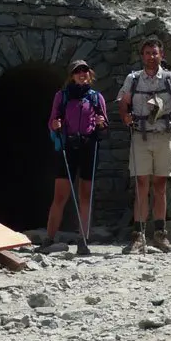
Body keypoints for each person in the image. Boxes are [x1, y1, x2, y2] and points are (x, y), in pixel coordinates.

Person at [117, 37, 171, 254]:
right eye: (148, 53)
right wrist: (125, 117)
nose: (151, 56)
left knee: (160, 185)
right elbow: (123, 103)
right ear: (142, 56)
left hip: (164, 135)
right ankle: (138, 236)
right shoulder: (133, 79)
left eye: (155, 53)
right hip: (140, 136)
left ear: (162, 55)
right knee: (141, 185)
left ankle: (160, 235)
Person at [39, 60, 107, 255]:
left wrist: (102, 123)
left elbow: (104, 127)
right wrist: (56, 125)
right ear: (71, 75)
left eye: (85, 70)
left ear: (89, 74)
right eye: (78, 71)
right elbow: (52, 121)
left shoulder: (96, 98)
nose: (82, 74)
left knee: (85, 196)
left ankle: (83, 241)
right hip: (67, 148)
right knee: (60, 196)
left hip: (88, 147)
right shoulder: (62, 97)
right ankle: (49, 239)